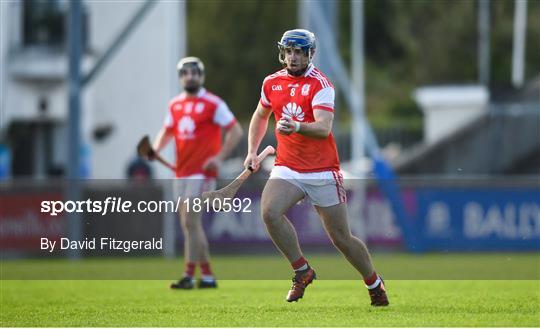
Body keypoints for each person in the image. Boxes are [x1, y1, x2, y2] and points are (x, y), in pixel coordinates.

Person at [243, 29, 389, 306]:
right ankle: (302, 270)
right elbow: (260, 115)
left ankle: (374, 282)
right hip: (288, 167)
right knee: (269, 212)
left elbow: (323, 128)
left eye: (299, 52)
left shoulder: (321, 84)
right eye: (288, 51)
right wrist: (252, 151)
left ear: (310, 54)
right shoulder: (271, 82)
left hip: (322, 170)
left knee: (341, 239)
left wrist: (296, 126)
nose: (293, 57)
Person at [152, 57, 243, 289]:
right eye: (185, 73)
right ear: (180, 77)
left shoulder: (213, 103)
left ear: (201, 76)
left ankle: (188, 275)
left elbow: (236, 131)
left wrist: (219, 157)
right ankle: (208, 276)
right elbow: (167, 131)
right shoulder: (175, 105)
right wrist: (155, 149)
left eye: (194, 72)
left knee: (191, 222)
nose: (190, 76)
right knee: (190, 225)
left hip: (202, 174)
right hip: (181, 172)